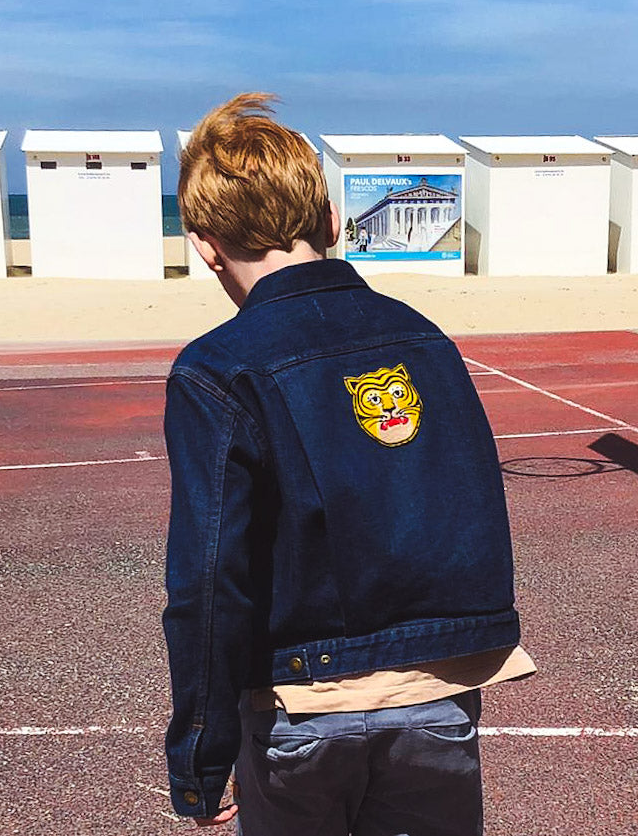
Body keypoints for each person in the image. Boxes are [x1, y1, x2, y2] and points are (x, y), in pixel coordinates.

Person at [161, 93, 533, 834]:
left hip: (301, 701)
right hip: (437, 690)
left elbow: (209, 575)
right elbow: (466, 501)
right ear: (332, 220)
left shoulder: (217, 369)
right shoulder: (422, 337)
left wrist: (201, 753)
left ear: (205, 245)